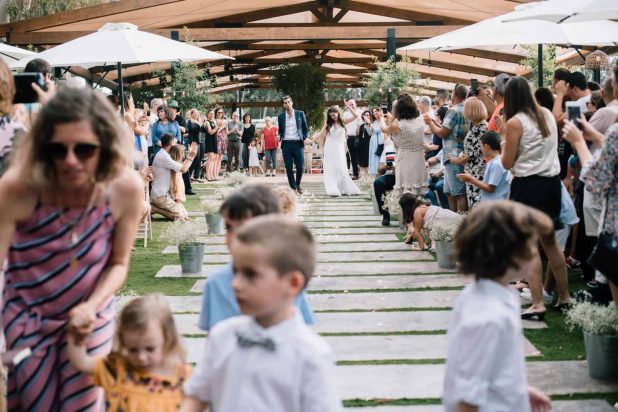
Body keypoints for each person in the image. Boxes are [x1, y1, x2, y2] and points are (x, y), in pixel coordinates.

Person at [0, 87, 143, 411]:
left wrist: (91, 306)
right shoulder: (17, 188)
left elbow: (119, 264)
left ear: (105, 146)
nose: (70, 160)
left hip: (90, 315)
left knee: (85, 403)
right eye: (57, 149)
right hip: (26, 317)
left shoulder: (124, 189)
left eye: (85, 149)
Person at [181, 215, 342, 412]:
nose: (235, 284)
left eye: (250, 274)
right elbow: (197, 396)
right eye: (235, 272)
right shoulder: (222, 335)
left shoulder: (311, 355)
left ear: (292, 283)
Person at [444, 201, 552, 412]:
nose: (535, 251)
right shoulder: (489, 318)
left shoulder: (490, 294)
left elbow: (494, 364)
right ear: (511, 253)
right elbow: (468, 396)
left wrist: (518, 391)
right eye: (532, 245)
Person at [198, 184, 315, 331]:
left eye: (244, 227)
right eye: (228, 227)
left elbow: (301, 330)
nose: (234, 236)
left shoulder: (285, 281)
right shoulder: (215, 284)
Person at [501, 76, 571, 318]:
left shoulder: (515, 122)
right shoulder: (547, 115)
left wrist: (504, 139)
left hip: (528, 186)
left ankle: (538, 303)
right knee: (551, 243)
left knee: (529, 246)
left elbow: (506, 162)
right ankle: (564, 297)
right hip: (551, 184)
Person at [67, 294, 191, 411]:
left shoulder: (183, 377)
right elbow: (82, 363)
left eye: (150, 349)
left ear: (168, 338)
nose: (141, 357)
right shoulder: (116, 369)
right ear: (123, 341)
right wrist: (76, 335)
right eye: (132, 349)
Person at [424, 84, 469, 212]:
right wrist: (434, 122)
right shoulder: (467, 109)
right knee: (450, 192)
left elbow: (442, 133)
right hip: (458, 155)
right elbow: (449, 130)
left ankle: (459, 221)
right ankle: (453, 220)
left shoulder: (453, 111)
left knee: (458, 193)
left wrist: (430, 123)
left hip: (453, 156)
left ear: (455, 94)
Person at [379, 94, 428, 197]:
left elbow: (384, 129)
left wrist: (381, 119)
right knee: (417, 191)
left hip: (405, 158)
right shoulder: (420, 119)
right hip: (419, 158)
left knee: (406, 192)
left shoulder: (398, 124)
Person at [315, 104, 361, 197]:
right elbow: (321, 134)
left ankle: (343, 187)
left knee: (340, 166)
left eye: (334, 115)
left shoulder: (343, 121)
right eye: (331, 116)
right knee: (332, 167)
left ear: (338, 113)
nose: (333, 117)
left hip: (339, 147)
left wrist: (348, 107)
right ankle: (334, 188)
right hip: (329, 146)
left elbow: (356, 115)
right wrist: (311, 140)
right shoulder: (328, 123)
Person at [150, 133, 198, 220]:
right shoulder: (163, 156)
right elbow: (183, 169)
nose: (176, 144)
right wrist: (191, 156)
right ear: (171, 143)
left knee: (184, 215)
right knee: (180, 217)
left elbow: (180, 167)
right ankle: (154, 208)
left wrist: (189, 156)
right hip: (160, 196)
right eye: (175, 142)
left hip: (162, 195)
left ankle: (154, 207)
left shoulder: (163, 154)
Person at [451, 97, 488, 208]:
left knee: (477, 203)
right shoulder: (477, 126)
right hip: (474, 170)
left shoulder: (481, 128)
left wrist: (458, 160)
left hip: (477, 171)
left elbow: (474, 152)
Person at [457, 131, 511, 203]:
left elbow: (490, 188)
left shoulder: (496, 164)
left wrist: (470, 179)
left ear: (486, 147)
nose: (481, 149)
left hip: (494, 204)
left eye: (481, 146)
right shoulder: (497, 161)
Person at [278, 95, 309, 194]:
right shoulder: (281, 117)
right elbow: (281, 131)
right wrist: (279, 138)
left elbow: (305, 129)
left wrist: (306, 137)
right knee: (288, 167)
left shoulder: (300, 114)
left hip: (298, 143)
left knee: (300, 166)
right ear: (283, 105)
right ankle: (293, 187)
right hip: (286, 144)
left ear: (292, 102)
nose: (287, 104)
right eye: (285, 103)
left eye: (288, 102)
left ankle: (298, 185)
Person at [374, 136, 396, 226]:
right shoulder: (388, 149)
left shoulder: (407, 149)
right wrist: (385, 167)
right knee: (378, 182)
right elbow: (379, 169)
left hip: (404, 177)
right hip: (390, 176)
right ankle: (385, 214)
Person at [169, 143, 190, 220]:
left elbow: (183, 166)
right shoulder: (174, 164)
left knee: (179, 200)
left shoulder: (177, 163)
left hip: (179, 182)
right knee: (177, 200)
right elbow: (174, 175)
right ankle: (180, 214)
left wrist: (189, 156)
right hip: (177, 183)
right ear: (178, 153)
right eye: (182, 152)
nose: (183, 154)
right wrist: (175, 185)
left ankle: (183, 214)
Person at [343, 99, 363, 179]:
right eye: (350, 104)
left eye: (352, 104)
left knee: (360, 155)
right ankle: (355, 174)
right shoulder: (346, 114)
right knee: (352, 156)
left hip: (359, 136)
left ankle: (362, 173)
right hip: (350, 137)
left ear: (356, 104)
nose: (351, 106)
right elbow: (343, 124)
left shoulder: (360, 112)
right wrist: (345, 133)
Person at [368, 106, 385, 175]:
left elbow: (377, 130)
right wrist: (368, 125)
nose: (374, 113)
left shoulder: (382, 120)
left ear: (380, 111)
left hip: (379, 141)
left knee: (378, 157)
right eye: (373, 112)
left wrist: (370, 123)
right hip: (373, 141)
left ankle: (379, 172)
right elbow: (370, 133)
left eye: (376, 111)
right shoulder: (374, 121)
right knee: (373, 156)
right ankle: (374, 171)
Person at [356, 109, 373, 177]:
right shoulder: (361, 125)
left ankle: (368, 175)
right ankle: (363, 176)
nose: (366, 116)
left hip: (368, 144)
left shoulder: (371, 124)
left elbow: (370, 134)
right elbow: (357, 134)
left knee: (368, 160)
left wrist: (368, 124)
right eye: (365, 115)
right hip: (361, 145)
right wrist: (357, 124)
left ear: (370, 116)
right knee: (362, 160)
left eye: (368, 115)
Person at [202, 109, 218, 181]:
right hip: (209, 141)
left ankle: (211, 175)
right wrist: (216, 128)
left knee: (213, 158)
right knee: (210, 158)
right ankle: (207, 175)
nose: (212, 115)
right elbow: (210, 132)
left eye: (213, 114)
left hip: (214, 140)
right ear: (207, 114)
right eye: (210, 114)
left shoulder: (213, 121)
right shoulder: (207, 122)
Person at [214, 107, 227, 179]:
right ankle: (214, 174)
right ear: (216, 113)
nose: (220, 114)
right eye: (219, 112)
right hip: (217, 139)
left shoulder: (224, 121)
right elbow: (216, 131)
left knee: (220, 159)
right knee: (215, 158)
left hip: (223, 140)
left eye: (221, 112)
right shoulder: (214, 120)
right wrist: (223, 126)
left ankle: (217, 174)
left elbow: (226, 132)